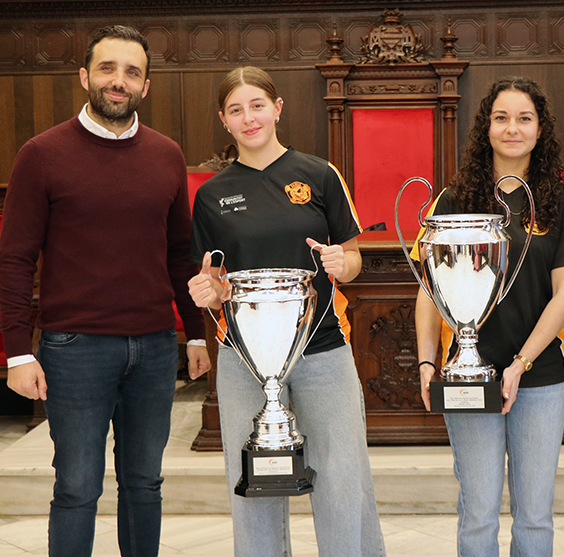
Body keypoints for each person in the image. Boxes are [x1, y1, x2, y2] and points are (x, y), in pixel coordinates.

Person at [0, 25, 211, 557]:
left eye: (132, 72)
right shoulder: (41, 154)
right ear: (85, 76)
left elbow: (179, 254)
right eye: (109, 69)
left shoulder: (165, 154)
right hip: (75, 350)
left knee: (144, 485)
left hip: (156, 347)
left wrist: (197, 337)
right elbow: (14, 260)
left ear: (146, 86)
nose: (120, 81)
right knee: (76, 488)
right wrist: (19, 353)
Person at [187, 66, 385, 557]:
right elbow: (213, 277)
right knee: (251, 477)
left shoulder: (319, 174)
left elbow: (354, 260)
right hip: (243, 359)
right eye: (236, 110)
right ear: (224, 121)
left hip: (321, 348)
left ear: (277, 109)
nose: (248, 117)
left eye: (257, 105)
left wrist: (344, 262)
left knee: (342, 474)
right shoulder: (211, 195)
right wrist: (207, 292)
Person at [414, 76, 564, 556]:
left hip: (540, 378)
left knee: (534, 517)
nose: (512, 128)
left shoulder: (562, 201)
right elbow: (428, 294)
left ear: (540, 130)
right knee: (476, 513)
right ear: (486, 128)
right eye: (501, 118)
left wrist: (520, 363)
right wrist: (427, 363)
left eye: (524, 118)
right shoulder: (454, 200)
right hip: (467, 377)